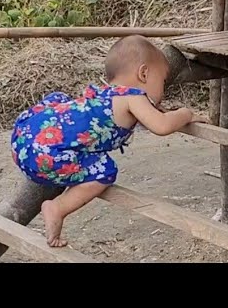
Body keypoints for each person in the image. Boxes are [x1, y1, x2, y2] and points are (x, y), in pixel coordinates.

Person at [11, 35, 209, 247]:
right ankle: (57, 207)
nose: (163, 89)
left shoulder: (106, 94)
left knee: (63, 102)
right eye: (161, 81)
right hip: (45, 155)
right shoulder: (132, 96)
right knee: (105, 170)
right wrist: (185, 114)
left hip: (24, 138)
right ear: (144, 73)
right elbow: (161, 126)